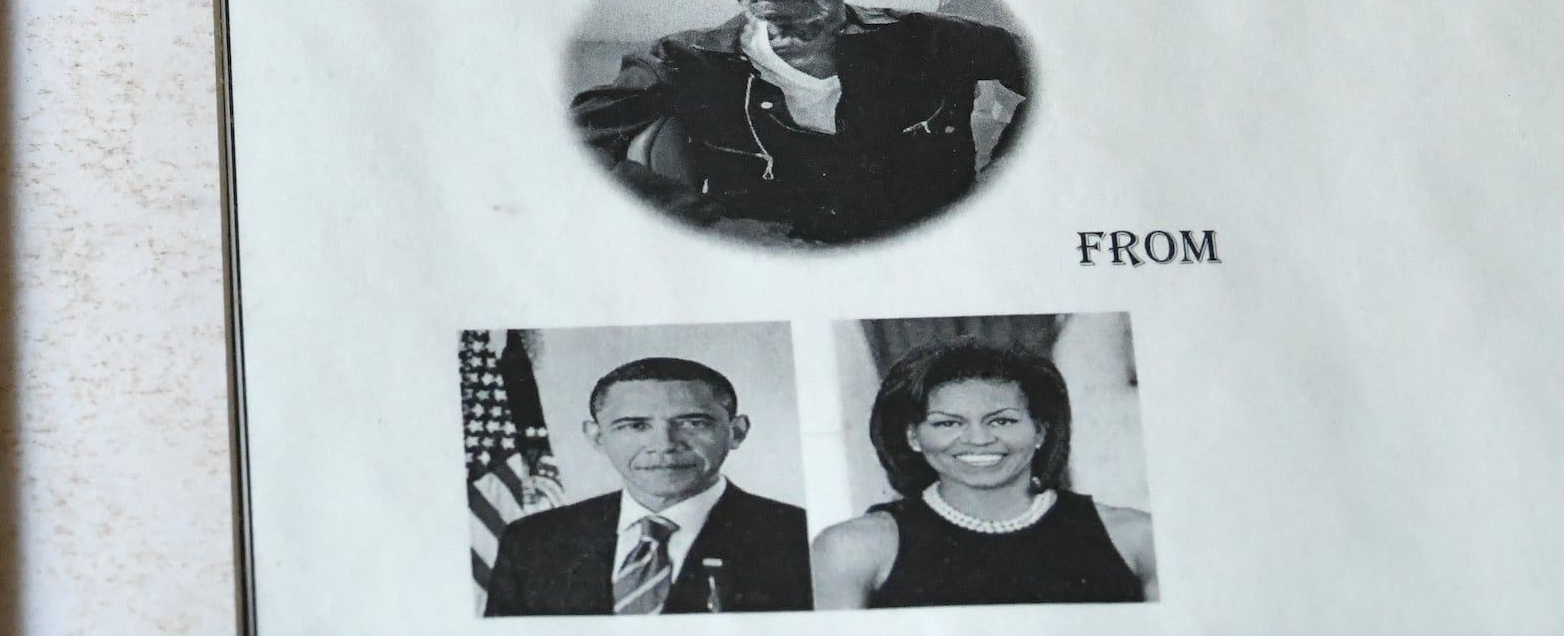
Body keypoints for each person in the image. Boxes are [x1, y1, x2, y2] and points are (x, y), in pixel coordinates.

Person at [572, 0, 1030, 246]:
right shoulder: (681, 57)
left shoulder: (932, 37)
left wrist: (1005, 174)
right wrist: (706, 223)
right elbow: (579, 140)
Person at [811, 339, 1155, 608]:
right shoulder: (853, 548)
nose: (978, 439)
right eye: (948, 423)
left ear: (1040, 431)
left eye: (1002, 420)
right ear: (913, 437)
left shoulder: (1136, 538)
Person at [484, 357, 813, 616]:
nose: (665, 445)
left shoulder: (800, 537)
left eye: (693, 423)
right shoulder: (532, 541)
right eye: (635, 426)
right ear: (597, 437)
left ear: (736, 432)